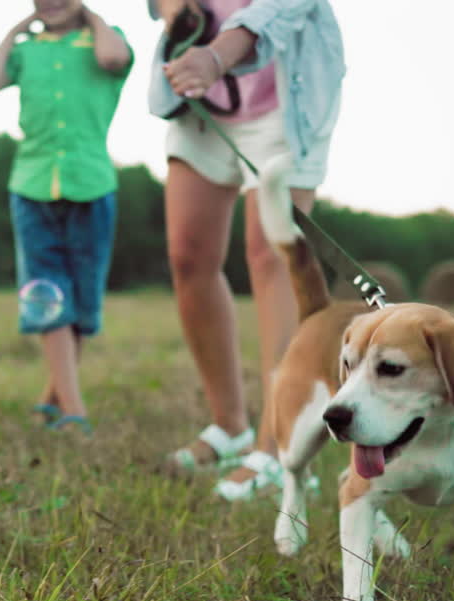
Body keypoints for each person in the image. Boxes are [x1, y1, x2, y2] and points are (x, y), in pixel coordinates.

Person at [147, 0, 345, 498]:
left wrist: (218, 55)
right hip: (203, 97)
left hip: (286, 95)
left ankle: (282, 447)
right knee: (188, 256)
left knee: (274, 258)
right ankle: (230, 427)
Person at [0, 0, 133, 433]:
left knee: (80, 302)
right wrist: (17, 29)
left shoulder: (105, 39)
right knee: (49, 297)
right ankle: (73, 410)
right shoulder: (27, 50)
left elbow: (114, 58)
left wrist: (89, 15)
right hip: (31, 184)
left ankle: (51, 397)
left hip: (91, 184)